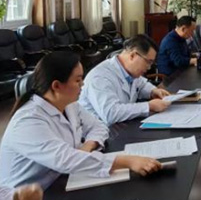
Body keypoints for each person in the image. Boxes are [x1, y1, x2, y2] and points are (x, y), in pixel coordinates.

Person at [0, 52, 163, 190]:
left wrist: (88, 146)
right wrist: (128, 161)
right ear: (56, 86)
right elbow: (65, 160)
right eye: (78, 80)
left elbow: (99, 126)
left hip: (61, 182)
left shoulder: (69, 105)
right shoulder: (28, 120)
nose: (83, 84)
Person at [79, 34, 171, 125]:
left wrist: (153, 91)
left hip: (121, 126)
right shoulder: (100, 77)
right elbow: (111, 113)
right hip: (99, 130)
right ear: (133, 55)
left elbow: (141, 85)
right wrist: (148, 106)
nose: (149, 67)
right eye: (148, 62)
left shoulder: (130, 71)